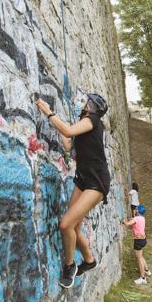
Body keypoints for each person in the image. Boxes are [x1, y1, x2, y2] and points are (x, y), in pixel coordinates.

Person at [36, 93, 110, 289]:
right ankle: (89, 260)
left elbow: (68, 132)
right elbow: (68, 144)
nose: (82, 104)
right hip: (83, 179)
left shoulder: (92, 120)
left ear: (92, 107)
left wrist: (49, 113)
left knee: (65, 224)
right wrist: (57, 123)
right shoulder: (84, 126)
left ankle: (69, 266)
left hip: (96, 182)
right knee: (74, 226)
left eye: (86, 102)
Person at [123, 204, 151, 285]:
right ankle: (147, 270)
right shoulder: (142, 218)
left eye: (136, 209)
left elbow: (128, 224)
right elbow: (134, 225)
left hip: (138, 240)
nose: (135, 210)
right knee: (141, 256)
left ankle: (143, 278)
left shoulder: (136, 218)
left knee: (139, 259)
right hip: (143, 239)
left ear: (138, 211)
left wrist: (124, 221)